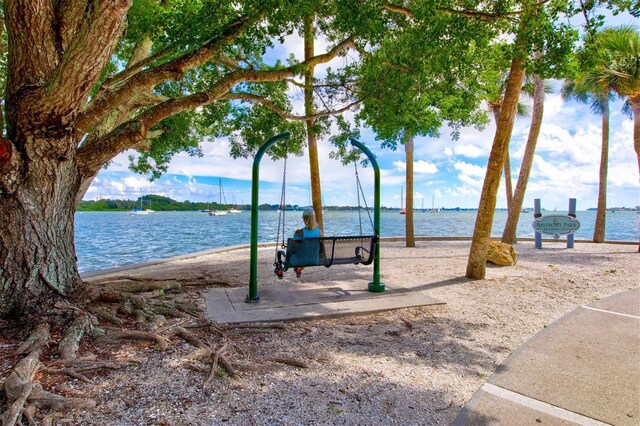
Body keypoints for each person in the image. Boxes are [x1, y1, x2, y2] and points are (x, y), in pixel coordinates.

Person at [291, 209, 323, 277]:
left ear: (304, 219)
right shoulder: (320, 233)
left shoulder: (299, 232)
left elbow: (293, 248)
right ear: (314, 218)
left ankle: (297, 269)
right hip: (314, 260)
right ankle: (299, 269)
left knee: (297, 255)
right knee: (307, 254)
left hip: (301, 260)